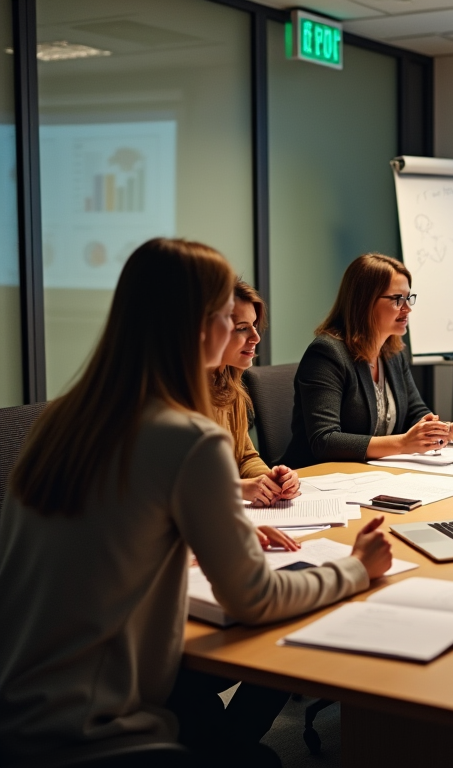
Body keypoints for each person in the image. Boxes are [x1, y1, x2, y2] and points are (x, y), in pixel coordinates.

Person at [0, 238, 392, 767]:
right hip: (94, 731)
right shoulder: (186, 437)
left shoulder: (63, 422)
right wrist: (357, 568)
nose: (241, 331)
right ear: (198, 325)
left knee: (223, 719)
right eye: (227, 318)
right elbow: (254, 599)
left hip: (20, 706)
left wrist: (202, 531)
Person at [281, 253, 453, 468]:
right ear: (364, 301)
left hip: (371, 473)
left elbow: (415, 413)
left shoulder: (393, 352)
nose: (407, 308)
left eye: (409, 298)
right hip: (315, 479)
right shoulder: (327, 353)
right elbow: (325, 441)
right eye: (398, 299)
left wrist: (451, 430)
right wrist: (403, 443)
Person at [211, 280, 300, 551]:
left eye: (254, 326)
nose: (256, 337)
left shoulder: (229, 385)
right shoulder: (177, 400)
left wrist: (271, 479)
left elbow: (245, 456)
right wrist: (241, 488)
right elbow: (176, 487)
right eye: (242, 328)